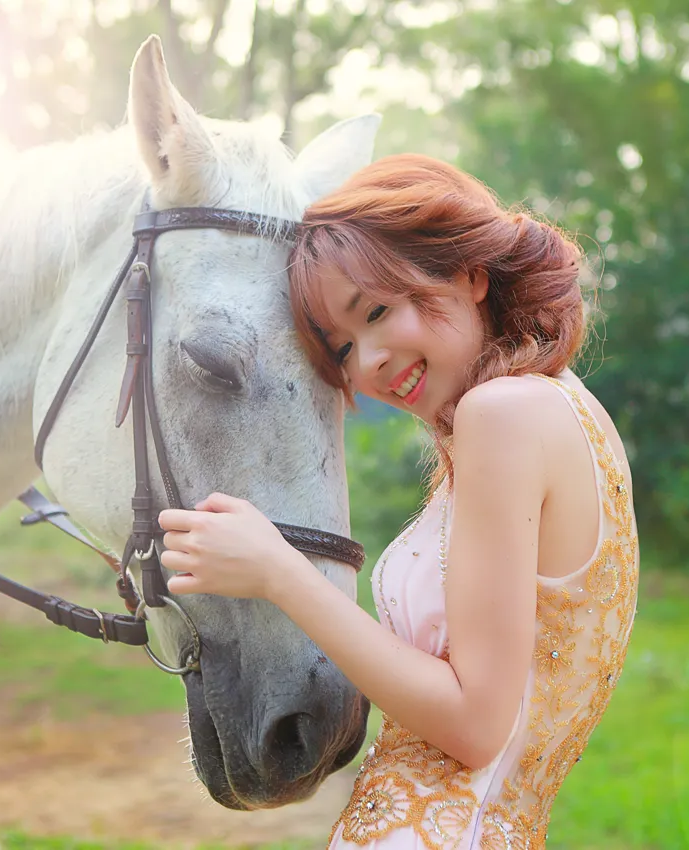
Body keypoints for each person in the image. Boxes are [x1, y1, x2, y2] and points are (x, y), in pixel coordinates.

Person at [157, 154, 640, 849]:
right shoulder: (565, 411)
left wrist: (279, 572)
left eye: (378, 312)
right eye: (343, 347)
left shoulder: (502, 416)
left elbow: (475, 725)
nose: (368, 362)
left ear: (469, 272)